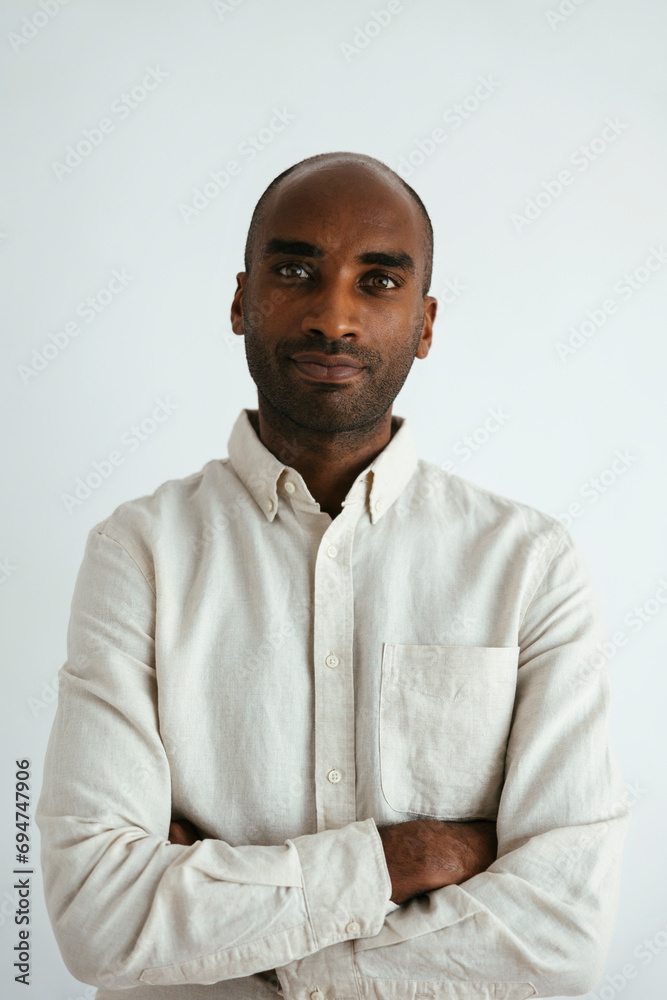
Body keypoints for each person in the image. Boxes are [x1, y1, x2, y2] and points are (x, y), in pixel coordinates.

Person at [36, 151, 630, 1000]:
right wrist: (405, 858)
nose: (334, 317)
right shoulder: (140, 552)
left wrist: (237, 935)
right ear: (240, 301)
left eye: (378, 282)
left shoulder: (529, 564)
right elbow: (100, 919)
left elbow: (560, 937)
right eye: (293, 271)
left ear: (425, 325)